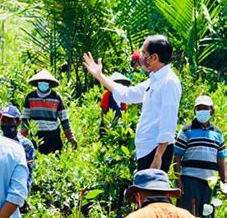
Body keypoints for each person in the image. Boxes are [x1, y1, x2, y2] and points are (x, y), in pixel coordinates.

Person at [83, 35, 182, 173]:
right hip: (146, 150)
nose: (140, 56)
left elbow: (168, 123)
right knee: (143, 194)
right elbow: (127, 94)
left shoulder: (169, 82)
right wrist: (100, 76)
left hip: (156, 151)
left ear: (153, 58)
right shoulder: (154, 80)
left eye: (143, 53)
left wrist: (158, 156)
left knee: (152, 194)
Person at [174, 95, 226, 218]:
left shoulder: (217, 133)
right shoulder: (187, 130)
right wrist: (178, 180)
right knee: (188, 217)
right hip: (189, 180)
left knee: (207, 217)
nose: (202, 110)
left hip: (210, 183)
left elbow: (221, 159)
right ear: (195, 111)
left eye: (205, 108)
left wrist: (225, 182)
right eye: (199, 108)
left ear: (211, 111)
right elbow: (177, 157)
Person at [21, 69, 77, 154]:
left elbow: (64, 118)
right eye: (41, 82)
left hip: (53, 134)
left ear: (49, 84)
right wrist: (22, 137)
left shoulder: (56, 97)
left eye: (45, 82)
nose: (43, 85)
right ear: (37, 84)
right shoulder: (30, 97)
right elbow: (25, 118)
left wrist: (70, 136)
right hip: (37, 135)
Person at [1, 104, 35, 190]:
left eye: (9, 120)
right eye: (3, 120)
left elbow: (28, 173)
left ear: (18, 122)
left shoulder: (26, 145)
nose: (6, 124)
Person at [99, 72, 131, 137]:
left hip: (109, 121)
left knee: (104, 137)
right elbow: (124, 111)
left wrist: (103, 120)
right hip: (116, 121)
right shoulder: (121, 95)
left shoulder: (107, 94)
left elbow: (103, 110)